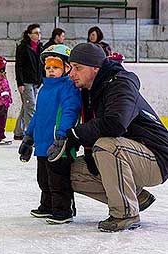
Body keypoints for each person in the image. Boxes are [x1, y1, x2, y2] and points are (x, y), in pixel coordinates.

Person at [48, 43, 168, 232]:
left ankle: (125, 213)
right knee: (70, 172)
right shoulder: (89, 91)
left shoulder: (120, 84)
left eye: (78, 68)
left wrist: (75, 134)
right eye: (71, 67)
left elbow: (115, 124)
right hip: (130, 155)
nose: (72, 73)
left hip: (156, 157)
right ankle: (135, 197)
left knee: (108, 146)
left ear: (96, 68)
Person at [18, 44, 81, 224]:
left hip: (59, 144)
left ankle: (63, 210)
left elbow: (70, 111)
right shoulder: (45, 89)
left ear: (66, 68)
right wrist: (29, 137)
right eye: (48, 67)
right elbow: (38, 115)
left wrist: (62, 136)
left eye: (56, 67)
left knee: (58, 180)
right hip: (43, 144)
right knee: (44, 179)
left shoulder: (68, 88)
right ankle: (47, 206)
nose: (51, 71)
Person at [13, 24, 43, 141]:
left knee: (26, 106)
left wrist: (41, 79)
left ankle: (18, 132)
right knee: (30, 107)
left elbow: (41, 65)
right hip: (26, 82)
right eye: (36, 33)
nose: (38, 35)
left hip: (36, 82)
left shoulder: (40, 47)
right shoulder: (23, 48)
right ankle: (31, 134)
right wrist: (20, 83)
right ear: (29, 35)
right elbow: (19, 66)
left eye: (39, 33)